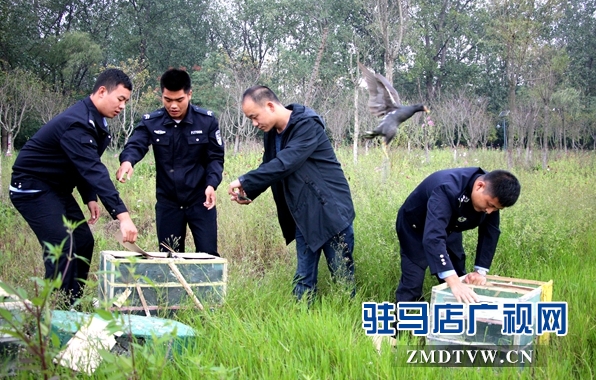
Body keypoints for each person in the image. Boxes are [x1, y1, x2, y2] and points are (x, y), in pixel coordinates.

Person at [9, 68, 139, 304]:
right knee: (62, 246)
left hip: (56, 188)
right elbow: (94, 170)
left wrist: (89, 197)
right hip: (32, 187)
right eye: (120, 99)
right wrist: (123, 217)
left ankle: (72, 303)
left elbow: (81, 162)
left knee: (83, 240)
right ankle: (54, 309)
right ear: (102, 91)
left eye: (126, 102)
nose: (122, 106)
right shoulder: (77, 123)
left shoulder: (95, 121)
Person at [228, 86, 355, 301]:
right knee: (303, 279)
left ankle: (349, 316)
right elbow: (270, 166)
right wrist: (249, 190)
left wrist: (245, 180)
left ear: (270, 106)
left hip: (330, 211)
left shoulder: (307, 125)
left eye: (254, 117)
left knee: (342, 278)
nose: (254, 124)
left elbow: (286, 162)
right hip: (303, 213)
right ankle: (302, 316)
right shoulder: (271, 133)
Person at [117, 69, 224, 255]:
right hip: (168, 203)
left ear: (189, 94)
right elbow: (136, 144)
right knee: (169, 256)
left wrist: (211, 184)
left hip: (200, 200)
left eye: (179, 100)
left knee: (208, 256)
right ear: (162, 96)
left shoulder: (206, 121)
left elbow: (215, 157)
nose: (173, 105)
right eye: (168, 99)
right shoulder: (152, 122)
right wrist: (128, 161)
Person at [395, 167, 521, 305]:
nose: (489, 211)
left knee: (458, 272)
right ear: (479, 186)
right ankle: (403, 315)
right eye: (489, 205)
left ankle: (455, 313)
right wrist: (453, 282)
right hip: (415, 226)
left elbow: (490, 232)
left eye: (496, 208)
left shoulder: (494, 189)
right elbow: (433, 237)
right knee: (413, 280)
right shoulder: (447, 188)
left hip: (450, 225)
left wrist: (480, 271)